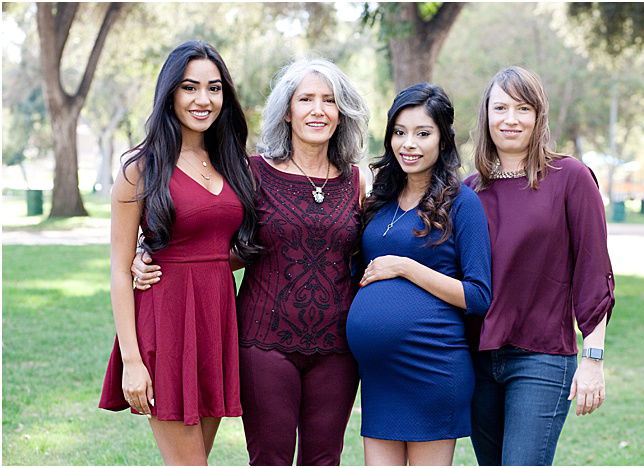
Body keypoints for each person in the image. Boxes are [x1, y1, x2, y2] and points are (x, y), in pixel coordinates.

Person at [132, 57, 370, 465]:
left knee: (326, 459)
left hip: (338, 345)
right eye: (306, 99)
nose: (318, 110)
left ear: (341, 112)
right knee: (269, 458)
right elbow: (212, 237)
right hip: (263, 341)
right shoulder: (250, 172)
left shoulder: (360, 180)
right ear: (287, 111)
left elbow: (375, 248)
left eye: (329, 100)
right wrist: (146, 253)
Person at [98, 41, 260, 465]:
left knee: (193, 460)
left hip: (216, 327)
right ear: (170, 92)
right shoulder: (140, 168)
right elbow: (118, 270)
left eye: (214, 88)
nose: (203, 99)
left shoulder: (232, 162)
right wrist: (132, 362)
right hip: (165, 328)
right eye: (190, 87)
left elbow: (238, 249)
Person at [464, 66, 615, 466]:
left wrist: (593, 358)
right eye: (500, 108)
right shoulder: (468, 190)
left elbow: (593, 272)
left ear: (538, 116)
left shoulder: (570, 177)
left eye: (522, 108)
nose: (510, 119)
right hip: (477, 359)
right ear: (486, 115)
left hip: (541, 357)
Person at [346, 83, 492, 466]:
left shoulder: (463, 203)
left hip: (432, 366)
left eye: (422, 133)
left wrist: (406, 266)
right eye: (400, 132)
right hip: (379, 378)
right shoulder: (379, 200)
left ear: (443, 140)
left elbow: (478, 295)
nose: (408, 144)